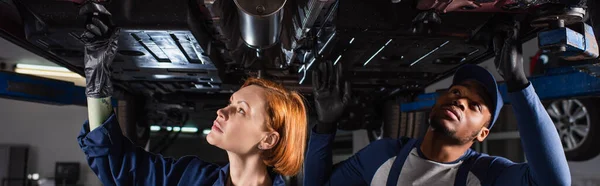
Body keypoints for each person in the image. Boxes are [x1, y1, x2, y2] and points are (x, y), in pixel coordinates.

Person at [304, 22, 571, 186]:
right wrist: (326, 125)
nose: (461, 101)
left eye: (475, 106)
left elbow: (554, 182)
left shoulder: (487, 175)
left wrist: (519, 84)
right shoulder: (384, 155)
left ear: (483, 133)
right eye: (456, 91)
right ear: (436, 106)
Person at [76, 3, 307, 185]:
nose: (221, 111)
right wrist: (97, 79)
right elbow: (117, 163)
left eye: (241, 110)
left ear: (267, 139)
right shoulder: (190, 178)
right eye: (231, 102)